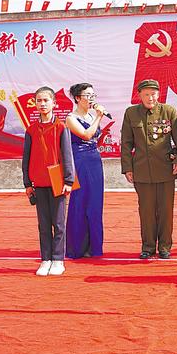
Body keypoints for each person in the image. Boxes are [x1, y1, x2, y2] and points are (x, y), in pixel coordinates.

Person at [121, 79, 177, 259]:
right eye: (146, 94)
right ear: (139, 95)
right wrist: (127, 167)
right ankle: (148, 247)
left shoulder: (168, 111)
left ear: (159, 94)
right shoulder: (131, 113)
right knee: (146, 211)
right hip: (141, 170)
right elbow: (126, 143)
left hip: (165, 170)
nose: (150, 98)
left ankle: (165, 246)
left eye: (153, 94)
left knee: (166, 211)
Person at [22, 87, 74, 276]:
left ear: (54, 103)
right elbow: (26, 158)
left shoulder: (61, 128)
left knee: (58, 224)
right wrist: (27, 183)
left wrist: (69, 180)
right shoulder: (31, 130)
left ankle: (58, 260)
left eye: (46, 100)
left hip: (57, 182)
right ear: (35, 104)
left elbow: (67, 155)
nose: (42, 104)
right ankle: (45, 260)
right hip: (39, 182)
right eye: (39, 100)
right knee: (43, 224)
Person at [65, 83, 106, 258]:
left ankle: (93, 247)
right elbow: (86, 135)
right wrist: (99, 117)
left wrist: (96, 117)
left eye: (93, 95)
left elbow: (94, 137)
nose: (91, 99)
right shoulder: (71, 118)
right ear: (77, 98)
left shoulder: (90, 116)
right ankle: (77, 247)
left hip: (94, 159)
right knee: (80, 201)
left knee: (95, 202)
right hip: (80, 160)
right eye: (87, 95)